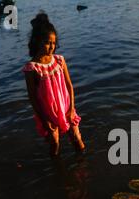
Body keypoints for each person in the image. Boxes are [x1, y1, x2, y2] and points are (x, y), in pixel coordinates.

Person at [22, 13, 85, 156]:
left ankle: (83, 168)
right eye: (47, 42)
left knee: (77, 139)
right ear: (37, 41)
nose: (51, 46)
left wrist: (71, 108)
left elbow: (69, 85)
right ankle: (58, 170)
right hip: (47, 113)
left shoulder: (59, 60)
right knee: (54, 144)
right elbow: (32, 97)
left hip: (66, 108)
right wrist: (44, 120)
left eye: (53, 43)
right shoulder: (32, 68)